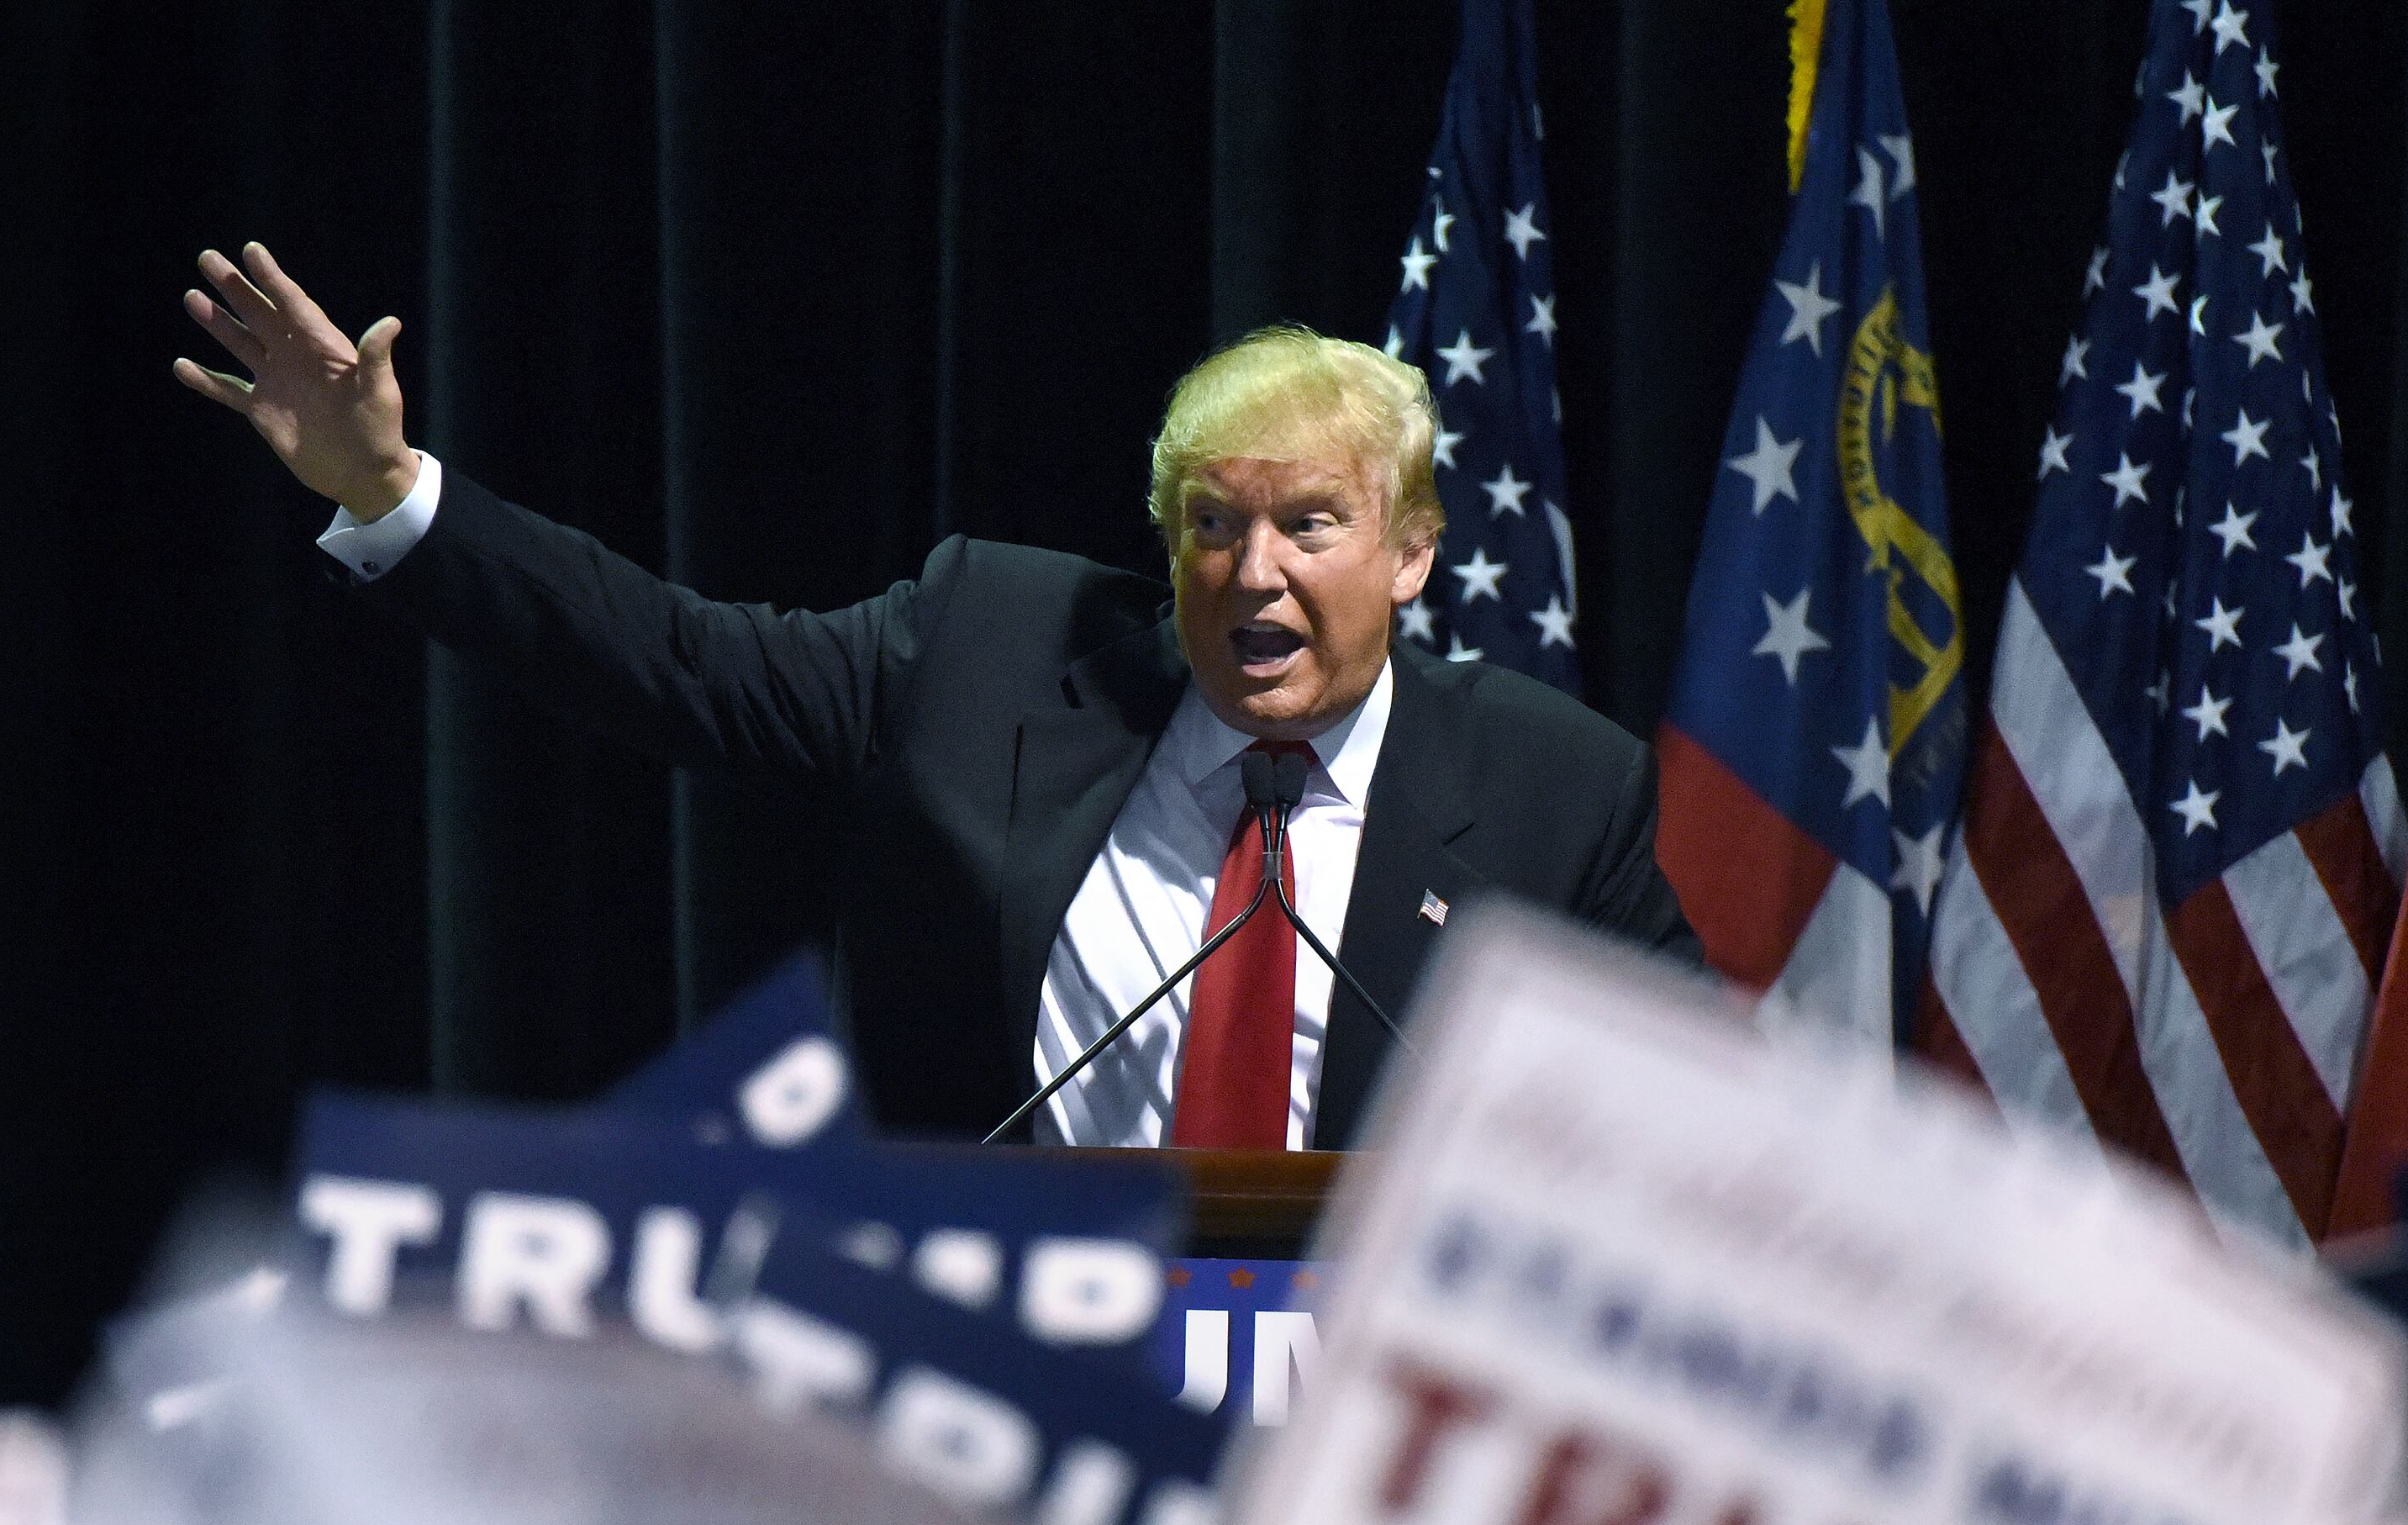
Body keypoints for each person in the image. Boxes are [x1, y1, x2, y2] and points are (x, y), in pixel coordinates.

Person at [175, 242, 1697, 1150]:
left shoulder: (1557, 787)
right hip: (1017, 1408)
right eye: (1212, 527)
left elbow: (1704, 1118)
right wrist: (392, 494)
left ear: (1414, 554)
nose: (1254, 577)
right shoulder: (989, 648)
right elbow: (682, 664)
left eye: (1309, 526)